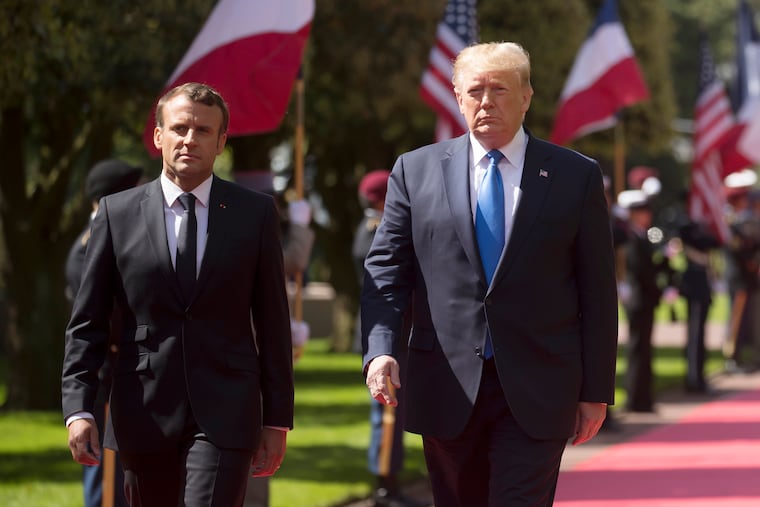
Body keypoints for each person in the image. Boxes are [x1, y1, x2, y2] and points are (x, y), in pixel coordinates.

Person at [361, 42, 618, 506]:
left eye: (499, 89)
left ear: (526, 97)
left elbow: (598, 290)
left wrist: (596, 389)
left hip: (539, 386)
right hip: (446, 382)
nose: (486, 101)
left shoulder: (574, 175)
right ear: (457, 97)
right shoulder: (414, 171)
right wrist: (380, 350)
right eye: (474, 90)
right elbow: (386, 270)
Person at [62, 82, 294, 507]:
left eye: (204, 131)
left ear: (222, 141)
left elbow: (273, 322)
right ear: (158, 136)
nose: (190, 139)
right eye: (180, 128)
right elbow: (88, 322)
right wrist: (79, 408)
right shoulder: (117, 213)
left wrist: (277, 419)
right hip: (143, 410)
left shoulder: (254, 214)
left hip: (226, 412)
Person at [65, 159, 143, 507]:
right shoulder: (89, 246)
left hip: (123, 375)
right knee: (105, 487)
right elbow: (100, 313)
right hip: (106, 377)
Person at [353, 170, 424, 507]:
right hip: (387, 335)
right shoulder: (376, 230)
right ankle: (384, 485)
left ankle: (390, 481)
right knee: (387, 414)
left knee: (395, 414)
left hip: (403, 332)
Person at [616, 189, 675, 412]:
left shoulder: (641, 235)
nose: (646, 215)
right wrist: (658, 288)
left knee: (644, 350)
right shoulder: (631, 237)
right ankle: (636, 399)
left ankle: (644, 398)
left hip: (645, 299)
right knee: (638, 349)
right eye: (641, 211)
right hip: (638, 299)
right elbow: (641, 271)